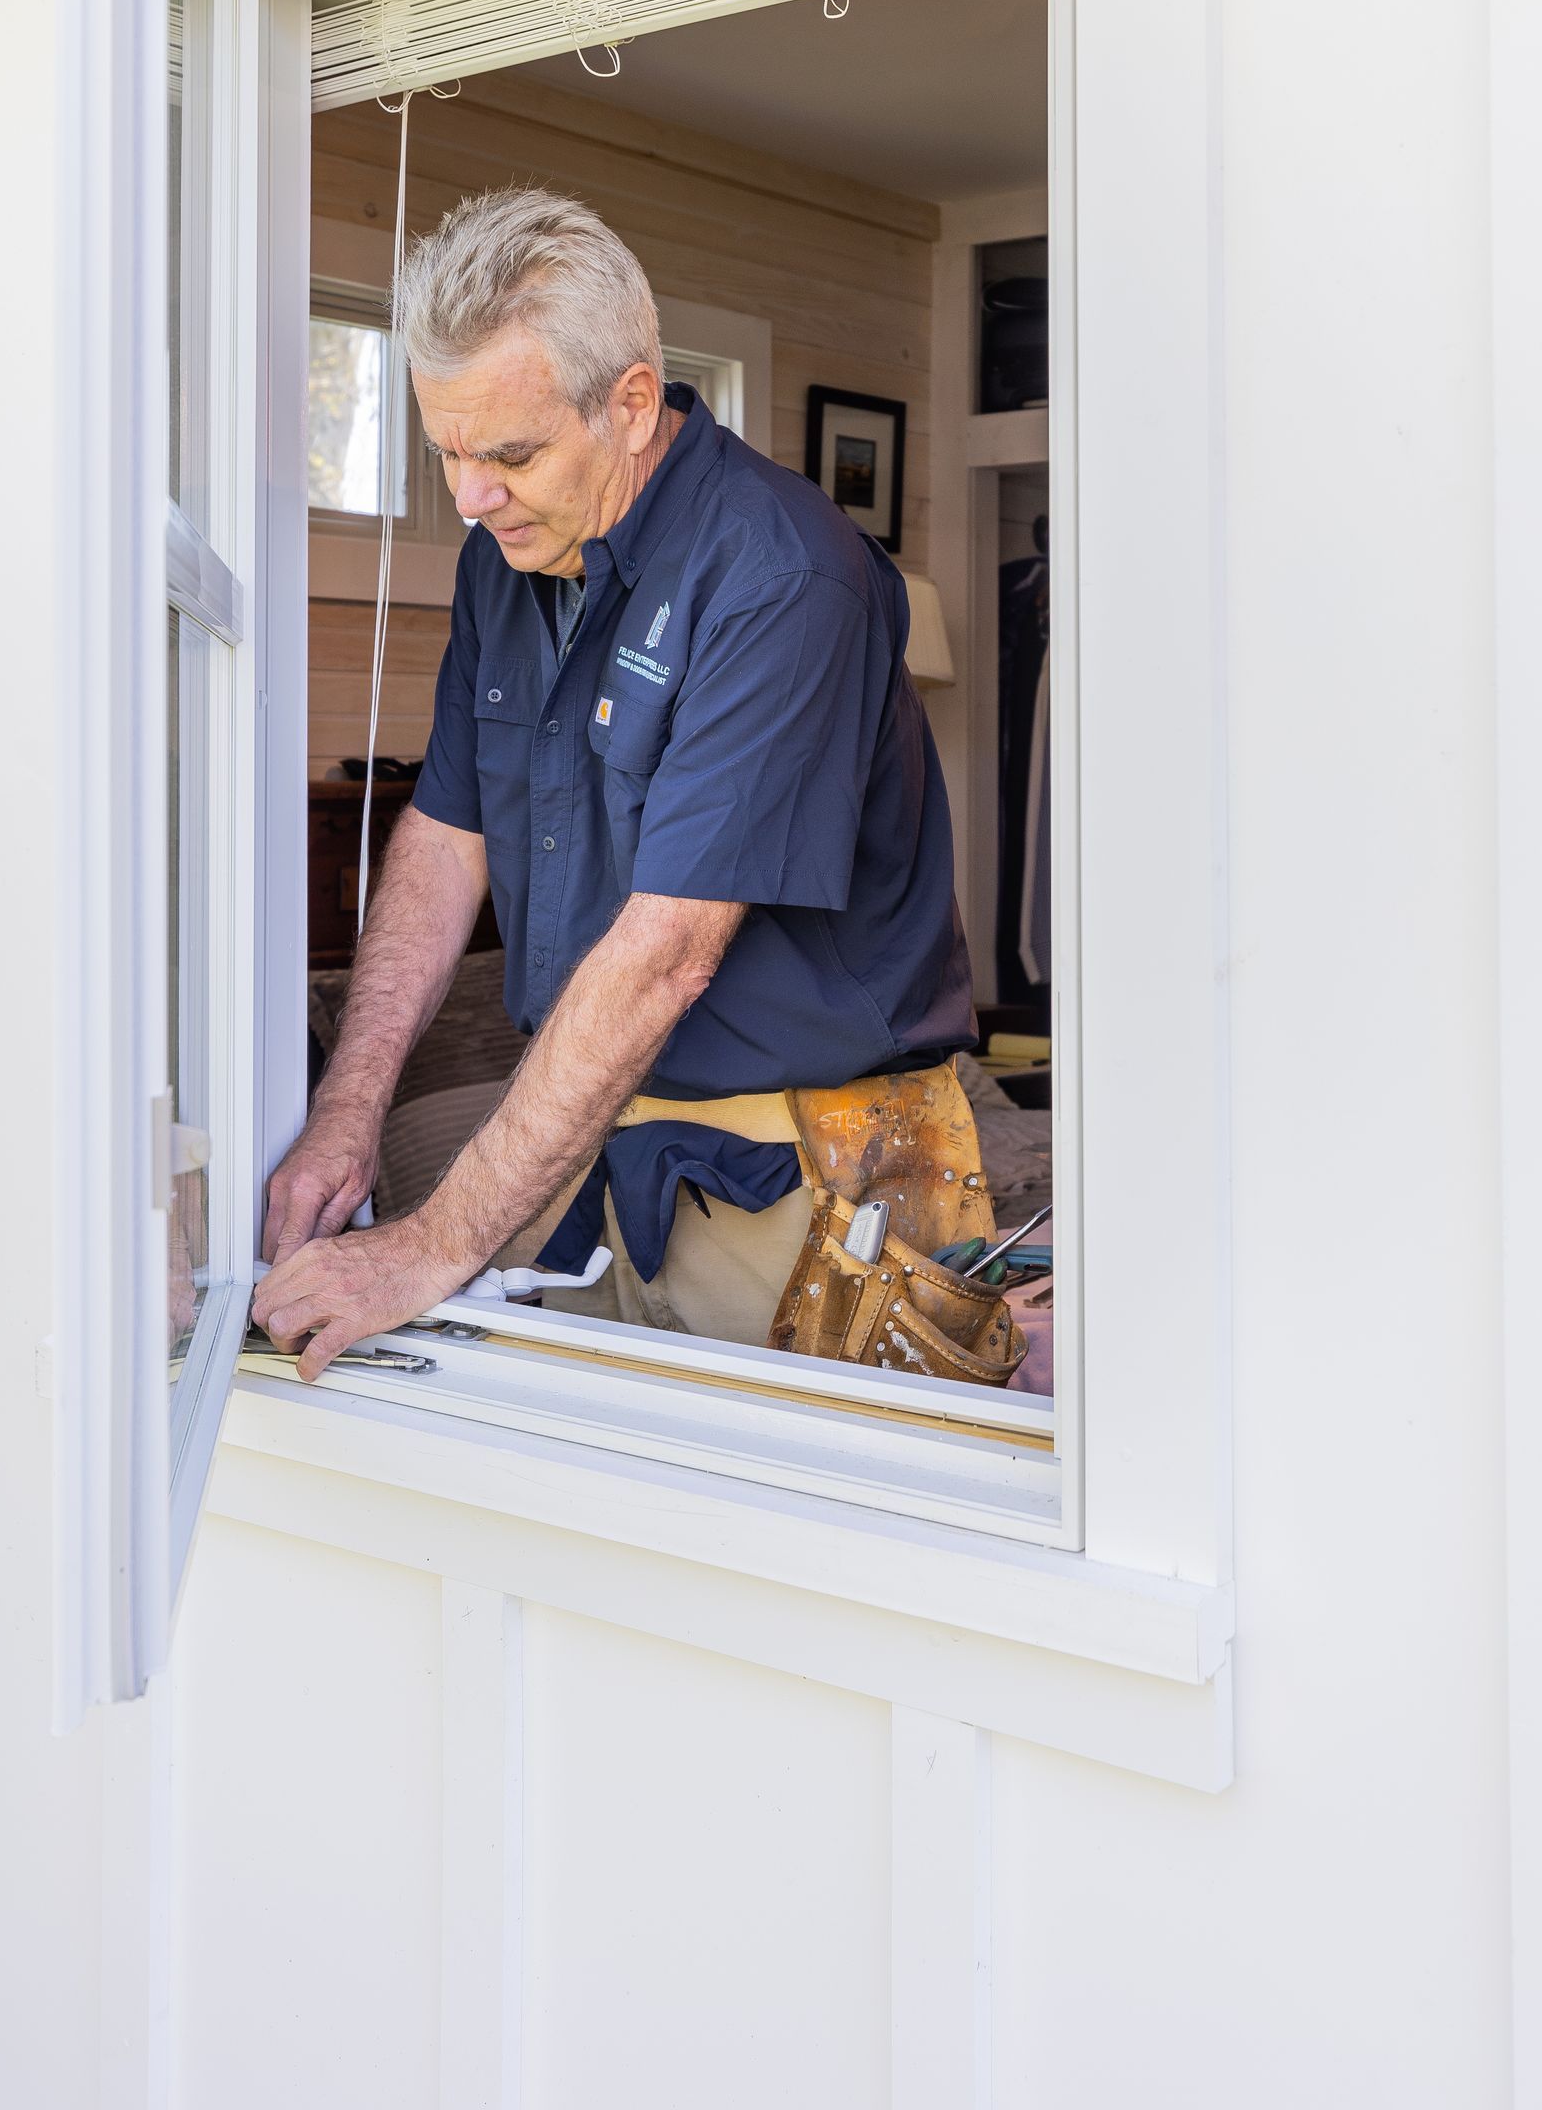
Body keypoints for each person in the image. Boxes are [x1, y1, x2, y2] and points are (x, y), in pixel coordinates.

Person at [255, 187, 1000, 1382]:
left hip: (818, 1173)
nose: (469, 495)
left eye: (508, 453)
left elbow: (668, 954)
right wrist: (347, 1111)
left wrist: (429, 1243)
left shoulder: (782, 576)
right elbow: (447, 840)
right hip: (589, 1141)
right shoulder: (510, 556)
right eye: (445, 450)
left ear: (634, 404)